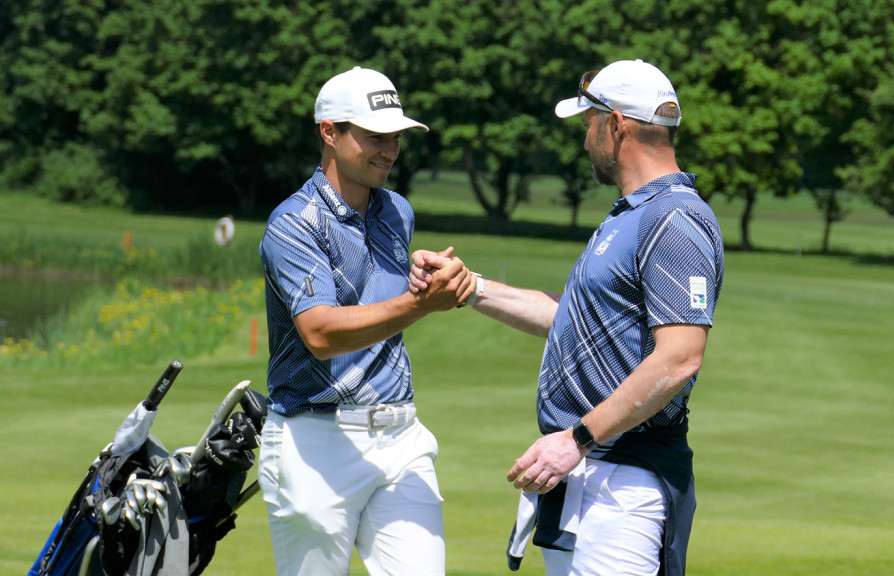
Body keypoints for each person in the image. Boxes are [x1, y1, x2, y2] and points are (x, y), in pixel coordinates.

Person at [412, 59, 725, 575]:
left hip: (625, 480)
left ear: (616, 124)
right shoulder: (632, 214)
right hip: (589, 474)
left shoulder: (676, 219)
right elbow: (572, 319)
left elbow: (679, 358)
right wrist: (470, 287)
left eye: (587, 125)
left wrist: (576, 439)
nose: (585, 142)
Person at [258, 66, 474, 576]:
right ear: (329, 132)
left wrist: (419, 280)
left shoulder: (397, 210)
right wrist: (421, 304)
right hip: (313, 441)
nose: (390, 150)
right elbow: (321, 333)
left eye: (395, 137)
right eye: (375, 136)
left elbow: (380, 295)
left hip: (401, 436)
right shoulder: (293, 223)